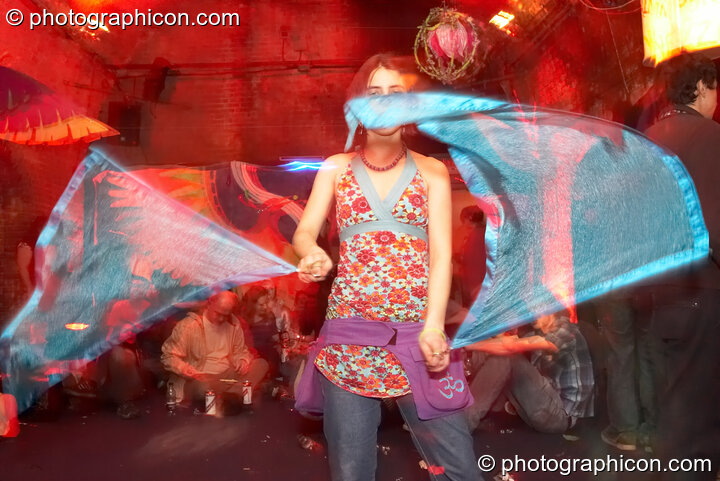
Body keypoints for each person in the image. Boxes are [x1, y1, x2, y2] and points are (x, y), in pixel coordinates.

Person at [293, 53, 478, 481]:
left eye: (396, 93)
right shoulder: (335, 168)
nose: (385, 102)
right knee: (352, 472)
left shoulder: (432, 172)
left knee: (460, 470)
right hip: (348, 341)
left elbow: (440, 258)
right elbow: (304, 233)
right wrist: (312, 253)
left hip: (418, 341)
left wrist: (434, 327)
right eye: (374, 93)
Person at [642, 52, 720, 480]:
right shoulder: (709, 138)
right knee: (702, 417)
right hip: (705, 295)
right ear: (704, 87)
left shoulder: (649, 140)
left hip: (662, 298)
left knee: (675, 407)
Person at [464, 312, 594, 437]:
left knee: (507, 356)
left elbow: (512, 346)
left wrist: (468, 345)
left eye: (537, 309)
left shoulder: (566, 331)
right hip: (539, 410)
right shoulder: (535, 333)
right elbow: (506, 341)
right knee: (490, 350)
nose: (533, 314)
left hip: (561, 417)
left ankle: (464, 424)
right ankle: (484, 412)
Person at [161, 291, 269, 412]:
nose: (222, 318)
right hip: (201, 377)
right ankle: (232, 397)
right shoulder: (188, 326)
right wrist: (184, 368)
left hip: (228, 374)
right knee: (202, 389)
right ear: (209, 304)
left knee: (261, 364)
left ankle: (231, 396)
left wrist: (242, 360)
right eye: (218, 313)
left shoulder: (233, 323)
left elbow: (241, 351)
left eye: (226, 315)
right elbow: (168, 356)